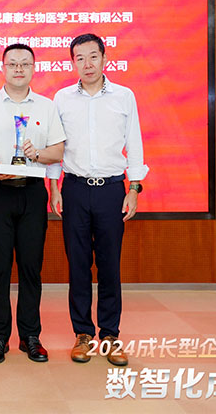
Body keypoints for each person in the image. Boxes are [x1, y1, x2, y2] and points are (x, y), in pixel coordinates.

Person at [48, 33, 148, 367]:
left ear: (105, 58)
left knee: (109, 265)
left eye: (93, 56)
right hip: (74, 189)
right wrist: (54, 188)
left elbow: (134, 142)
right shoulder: (62, 99)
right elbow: (56, 146)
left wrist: (134, 188)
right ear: (72, 62)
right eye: (80, 58)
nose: (87, 64)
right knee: (77, 265)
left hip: (111, 190)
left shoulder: (124, 96)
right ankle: (82, 333)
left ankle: (110, 335)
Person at [0, 44, 65, 364]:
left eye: (25, 64)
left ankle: (31, 336)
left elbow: (58, 151)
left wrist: (39, 154)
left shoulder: (47, 107)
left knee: (31, 267)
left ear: (33, 68)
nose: (19, 69)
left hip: (32, 193)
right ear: (3, 68)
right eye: (12, 64)